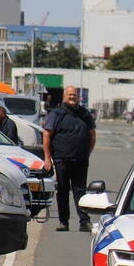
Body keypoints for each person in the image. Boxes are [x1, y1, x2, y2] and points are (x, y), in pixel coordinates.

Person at [43, 86, 96, 232]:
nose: (72, 97)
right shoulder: (56, 114)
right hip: (62, 160)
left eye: (74, 95)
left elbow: (92, 135)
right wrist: (48, 159)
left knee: (80, 192)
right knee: (63, 190)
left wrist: (87, 154)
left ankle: (84, 221)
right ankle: (63, 222)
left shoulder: (84, 113)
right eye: (70, 95)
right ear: (64, 97)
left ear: (78, 97)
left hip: (80, 160)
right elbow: (47, 135)